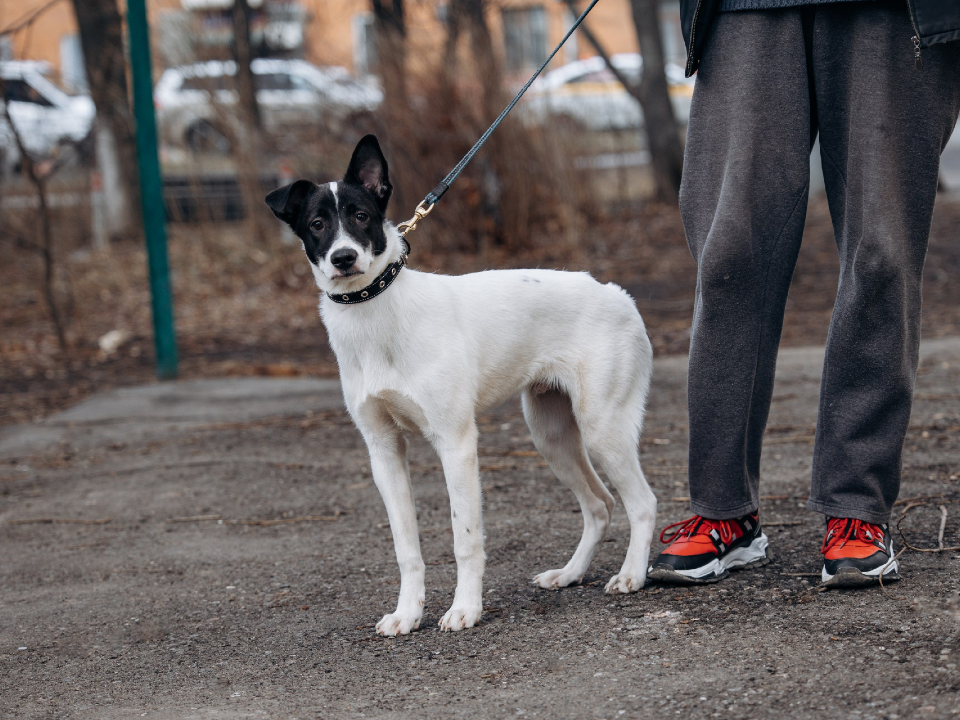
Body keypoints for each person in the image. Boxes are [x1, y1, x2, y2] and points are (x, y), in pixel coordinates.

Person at [647, 0, 960, 587]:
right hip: (746, 8)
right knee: (730, 253)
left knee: (880, 255)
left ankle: (856, 508)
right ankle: (725, 510)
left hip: (893, 14)